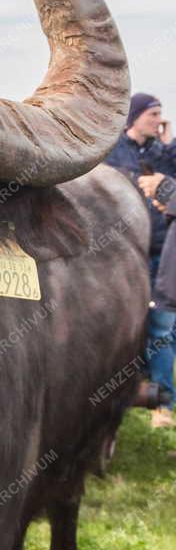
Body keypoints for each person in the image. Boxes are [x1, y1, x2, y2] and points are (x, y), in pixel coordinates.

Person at [106, 92, 176, 427]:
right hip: (122, 252)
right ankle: (120, 392)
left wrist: (167, 144)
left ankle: (163, 402)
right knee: (124, 323)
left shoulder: (163, 153)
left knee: (162, 326)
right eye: (153, 114)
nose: (158, 120)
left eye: (161, 115)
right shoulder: (114, 149)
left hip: (162, 253)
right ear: (134, 116)